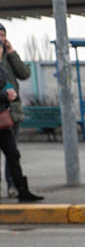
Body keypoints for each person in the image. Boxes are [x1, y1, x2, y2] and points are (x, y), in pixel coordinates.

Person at [0, 23, 33, 199]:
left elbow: (24, 73)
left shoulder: (8, 57)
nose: (1, 38)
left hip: (11, 112)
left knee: (12, 152)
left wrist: (11, 53)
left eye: (3, 35)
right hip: (2, 108)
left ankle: (15, 185)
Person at [0, 64, 42, 203]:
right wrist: (5, 95)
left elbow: (8, 85)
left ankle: (22, 190)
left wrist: (12, 95)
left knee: (13, 154)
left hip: (2, 120)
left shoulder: (2, 68)